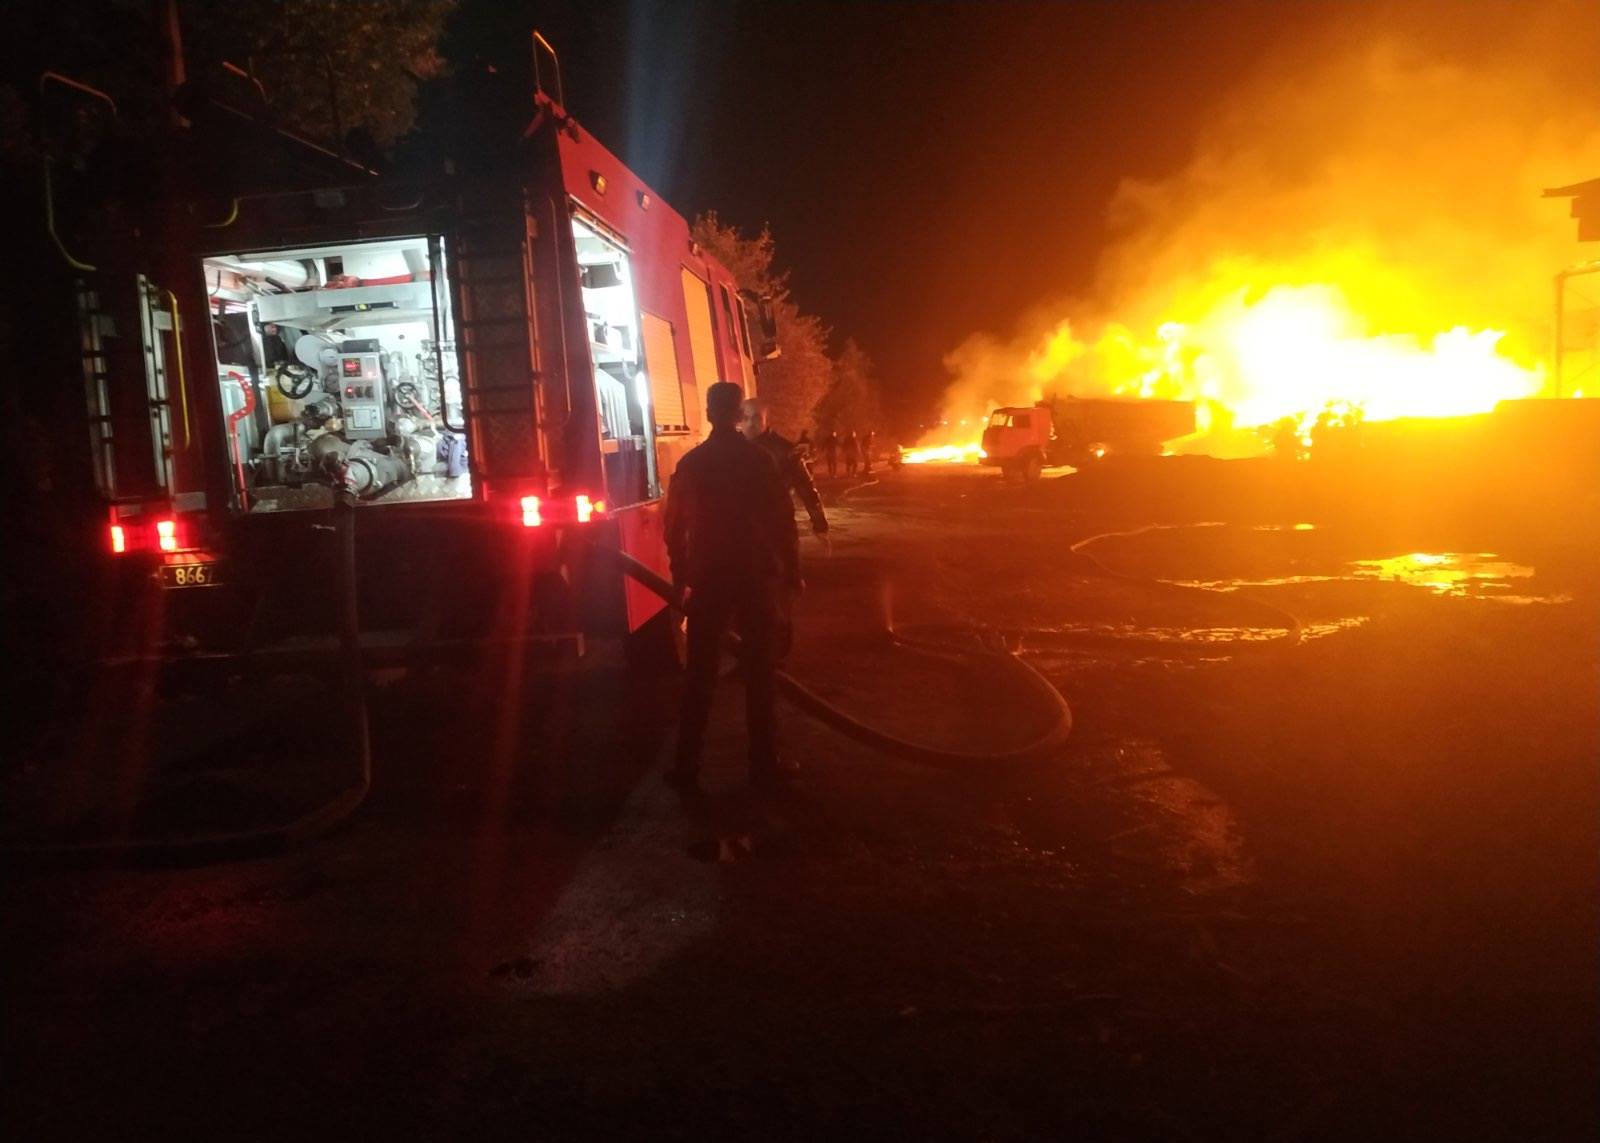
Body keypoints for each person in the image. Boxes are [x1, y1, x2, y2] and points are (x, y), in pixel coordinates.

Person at [665, 382, 801, 795]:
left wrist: (680, 577)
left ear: (709, 414)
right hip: (756, 578)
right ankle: (763, 766)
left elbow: (674, 527)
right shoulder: (759, 460)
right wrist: (791, 572)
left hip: (710, 579)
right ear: (739, 414)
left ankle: (686, 768)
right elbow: (783, 521)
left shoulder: (692, 463)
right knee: (760, 674)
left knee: (700, 675)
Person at [740, 397, 830, 552]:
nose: (750, 423)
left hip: (777, 526)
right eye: (745, 418)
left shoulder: (785, 450)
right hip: (743, 530)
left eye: (756, 418)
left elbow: (806, 489)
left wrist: (820, 526)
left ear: (765, 419)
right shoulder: (732, 449)